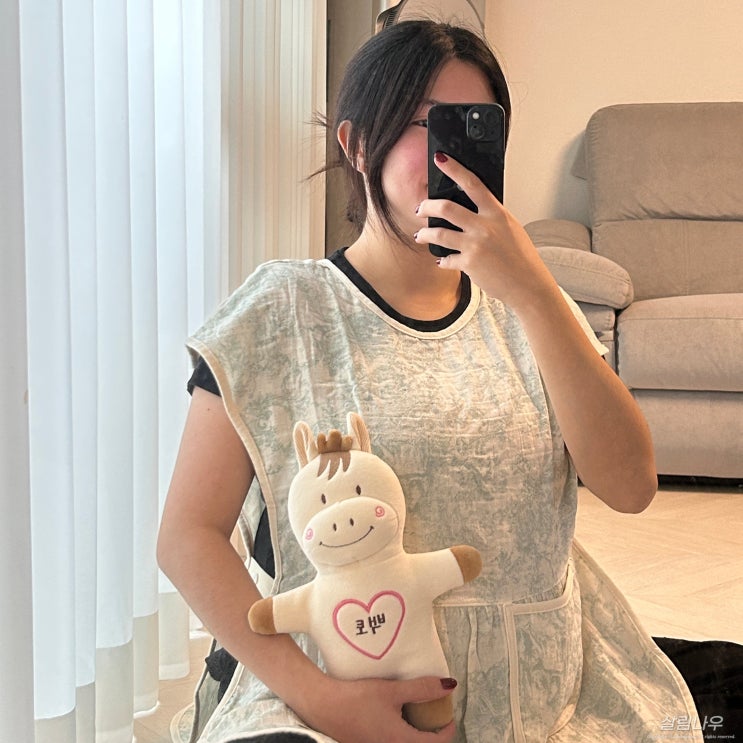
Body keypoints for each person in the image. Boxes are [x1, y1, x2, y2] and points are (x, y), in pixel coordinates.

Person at [158, 20, 703, 743]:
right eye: (431, 125)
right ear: (358, 145)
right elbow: (187, 536)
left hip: (536, 698)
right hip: (329, 690)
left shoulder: (536, 311)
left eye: (477, 127)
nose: (454, 154)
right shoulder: (281, 310)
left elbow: (631, 486)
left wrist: (534, 292)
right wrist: (323, 700)